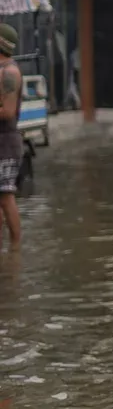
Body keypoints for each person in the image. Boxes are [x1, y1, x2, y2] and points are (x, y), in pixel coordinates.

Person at [0, 24, 22, 250]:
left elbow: (7, 111)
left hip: (5, 142)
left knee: (6, 196)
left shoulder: (10, 73)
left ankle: (15, 250)